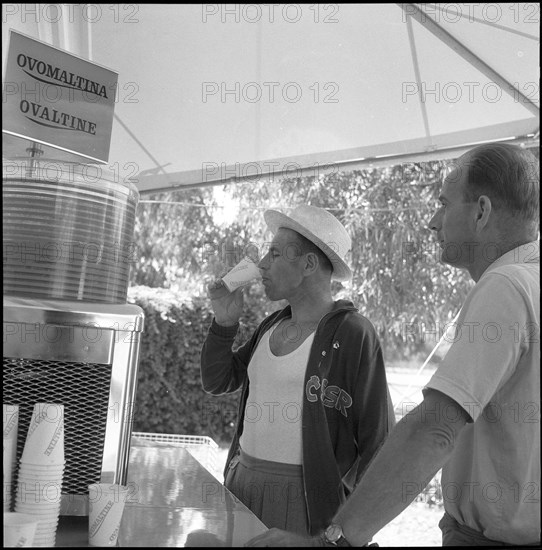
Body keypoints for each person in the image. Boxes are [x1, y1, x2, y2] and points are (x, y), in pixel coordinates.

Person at [247, 142, 540, 547]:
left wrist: (334, 540)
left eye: (443, 202)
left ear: (482, 211)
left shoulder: (506, 287)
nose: (433, 222)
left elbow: (435, 429)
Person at [200, 204, 396, 537]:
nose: (261, 264)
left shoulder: (353, 333)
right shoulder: (271, 325)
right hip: (240, 485)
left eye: (274, 253)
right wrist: (224, 323)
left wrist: (349, 531)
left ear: (307, 264)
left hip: (306, 504)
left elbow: (378, 441)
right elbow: (217, 380)